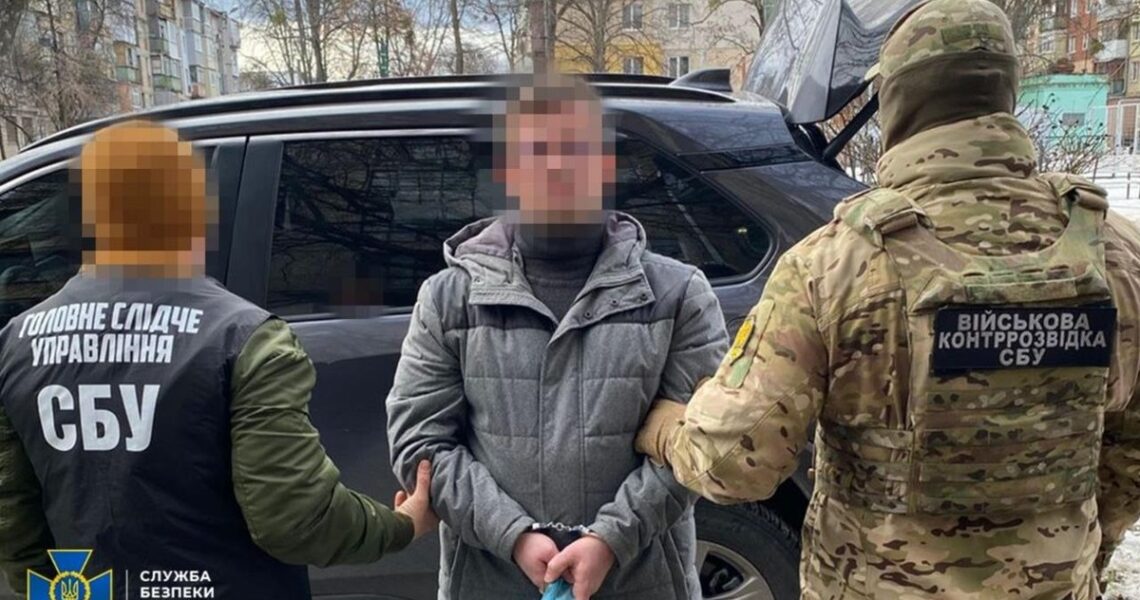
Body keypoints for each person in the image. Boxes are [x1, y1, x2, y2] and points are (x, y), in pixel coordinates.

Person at [636, 1, 1140, 598]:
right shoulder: (1114, 252)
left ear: (899, 99)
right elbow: (1130, 454)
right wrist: (1081, 545)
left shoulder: (835, 264)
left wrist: (664, 428)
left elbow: (735, 463)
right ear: (1004, 90)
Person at [0, 121, 438, 599]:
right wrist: (401, 525)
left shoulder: (16, 344)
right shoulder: (243, 338)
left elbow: (15, 529)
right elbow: (294, 519)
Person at [386, 72, 728, 600]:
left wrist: (611, 538)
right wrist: (513, 535)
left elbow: (701, 441)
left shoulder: (677, 295)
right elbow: (420, 444)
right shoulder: (448, 300)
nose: (556, 168)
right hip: (490, 584)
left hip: (642, 582)